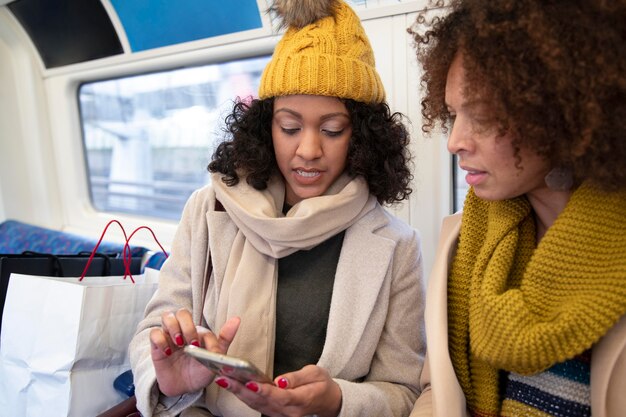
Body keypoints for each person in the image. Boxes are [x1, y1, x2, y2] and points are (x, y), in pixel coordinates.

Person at [129, 1, 426, 416]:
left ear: (362, 135)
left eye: (332, 130)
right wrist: (168, 378)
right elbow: (153, 330)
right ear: (266, 127)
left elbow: (403, 391)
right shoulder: (208, 211)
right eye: (289, 127)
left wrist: (338, 401)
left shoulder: (397, 246)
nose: (307, 150)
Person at [407, 0, 626, 416]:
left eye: (484, 117)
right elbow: (438, 390)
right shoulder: (461, 241)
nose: (454, 141)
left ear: (561, 111)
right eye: (453, 114)